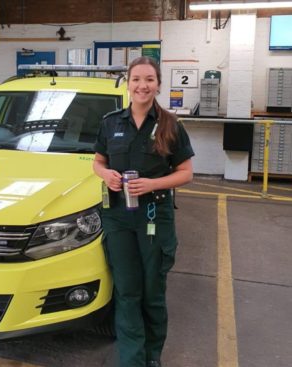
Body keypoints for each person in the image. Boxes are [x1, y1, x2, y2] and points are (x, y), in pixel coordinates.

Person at [92, 56, 194, 367]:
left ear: (158, 85)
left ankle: (152, 358)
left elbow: (186, 172)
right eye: (136, 79)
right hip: (118, 218)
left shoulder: (170, 125)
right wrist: (105, 174)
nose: (142, 85)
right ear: (128, 82)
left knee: (152, 293)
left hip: (154, 216)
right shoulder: (111, 122)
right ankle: (132, 361)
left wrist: (151, 184)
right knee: (126, 292)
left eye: (149, 79)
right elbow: (97, 161)